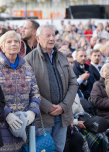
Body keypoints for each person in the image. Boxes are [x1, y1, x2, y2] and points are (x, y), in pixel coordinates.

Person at [25, 24, 78, 152]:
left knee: (59, 149)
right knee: (44, 149)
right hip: (43, 117)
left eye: (53, 35)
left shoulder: (62, 56)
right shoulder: (29, 59)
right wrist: (48, 107)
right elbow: (30, 89)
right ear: (38, 38)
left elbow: (73, 82)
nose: (51, 39)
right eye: (47, 35)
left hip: (62, 115)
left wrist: (63, 106)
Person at [0, 30, 41, 152]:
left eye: (16, 41)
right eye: (9, 42)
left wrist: (32, 112)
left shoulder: (27, 67)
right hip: (2, 125)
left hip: (26, 123)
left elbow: (35, 93)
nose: (13, 44)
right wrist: (7, 115)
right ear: (2, 47)